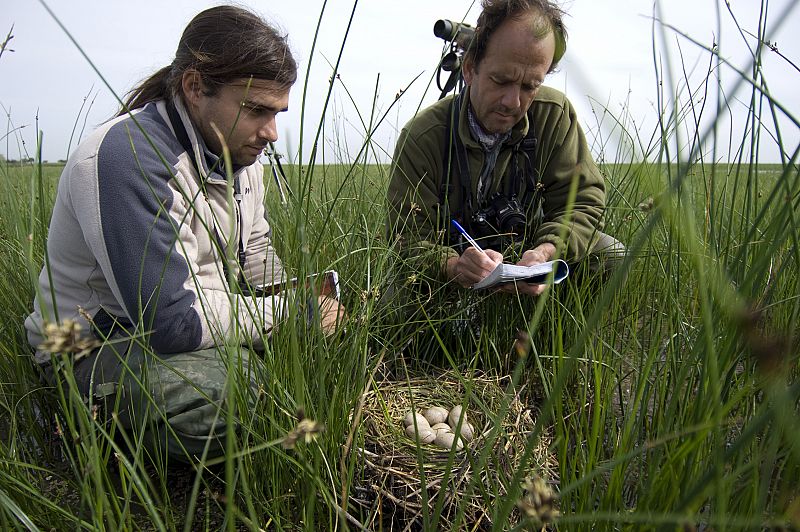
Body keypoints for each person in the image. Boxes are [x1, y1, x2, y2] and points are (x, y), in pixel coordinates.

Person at [25, 5, 345, 462]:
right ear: (195, 87)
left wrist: (307, 305)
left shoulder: (239, 153)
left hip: (182, 332)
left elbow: (255, 253)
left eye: (278, 113)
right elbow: (172, 322)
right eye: (256, 110)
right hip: (94, 344)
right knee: (236, 398)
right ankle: (76, 431)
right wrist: (294, 315)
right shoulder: (128, 158)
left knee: (288, 370)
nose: (272, 132)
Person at [387, 0, 624, 300]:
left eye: (529, 86)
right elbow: (405, 241)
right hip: (452, 281)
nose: (513, 102)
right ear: (470, 69)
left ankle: (548, 343)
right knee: (396, 298)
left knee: (610, 255)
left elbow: (582, 205)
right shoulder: (424, 136)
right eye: (501, 81)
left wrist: (545, 253)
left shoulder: (554, 116)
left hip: (527, 259)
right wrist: (452, 266)